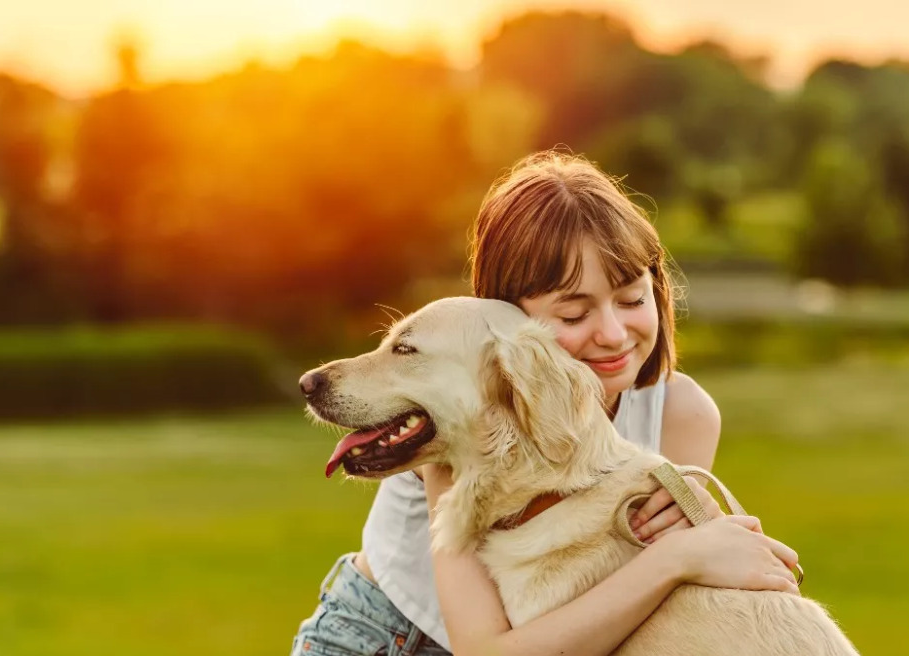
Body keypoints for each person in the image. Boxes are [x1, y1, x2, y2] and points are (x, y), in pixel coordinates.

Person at [290, 151, 800, 656]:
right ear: (505, 319)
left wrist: (706, 521)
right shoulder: (463, 422)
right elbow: (483, 647)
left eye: (631, 300)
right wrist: (679, 558)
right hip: (386, 638)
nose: (613, 333)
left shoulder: (680, 414)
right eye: (574, 314)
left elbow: (642, 609)